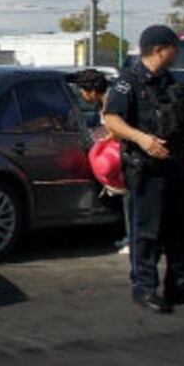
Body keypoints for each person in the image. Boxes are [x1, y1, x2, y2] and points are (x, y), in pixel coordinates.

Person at [103, 25, 184, 314]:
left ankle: (180, 285)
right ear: (159, 50)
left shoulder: (171, 82)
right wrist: (142, 139)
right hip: (146, 170)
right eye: (174, 48)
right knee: (147, 231)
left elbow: (181, 122)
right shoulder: (128, 82)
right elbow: (111, 120)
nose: (177, 53)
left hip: (175, 167)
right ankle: (144, 288)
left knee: (180, 229)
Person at [69, 69, 131, 254]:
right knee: (127, 200)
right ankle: (131, 237)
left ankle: (135, 241)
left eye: (82, 91)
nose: (82, 96)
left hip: (127, 156)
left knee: (131, 201)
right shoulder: (107, 101)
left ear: (92, 90)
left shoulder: (113, 102)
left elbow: (121, 128)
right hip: (122, 156)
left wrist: (104, 139)